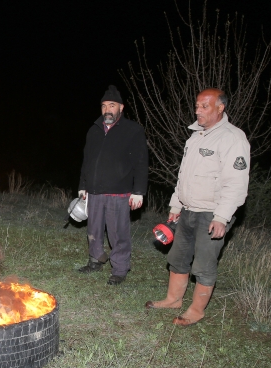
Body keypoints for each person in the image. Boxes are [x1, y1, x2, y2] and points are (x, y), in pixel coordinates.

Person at [145, 88, 250, 326]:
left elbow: (236, 182)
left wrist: (222, 217)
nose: (198, 110)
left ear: (220, 108)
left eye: (205, 106)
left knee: (203, 264)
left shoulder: (233, 138)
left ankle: (196, 310)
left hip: (212, 213)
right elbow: (184, 177)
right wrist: (175, 204)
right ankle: (173, 299)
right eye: (197, 106)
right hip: (188, 210)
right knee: (178, 257)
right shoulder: (195, 137)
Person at [78, 85, 148, 285]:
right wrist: (83, 185)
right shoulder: (94, 130)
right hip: (94, 190)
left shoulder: (133, 130)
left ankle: (119, 269)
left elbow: (141, 163)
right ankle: (95, 260)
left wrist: (139, 191)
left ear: (121, 107)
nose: (107, 109)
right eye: (104, 106)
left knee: (118, 233)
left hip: (119, 192)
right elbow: (87, 160)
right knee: (94, 229)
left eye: (112, 105)